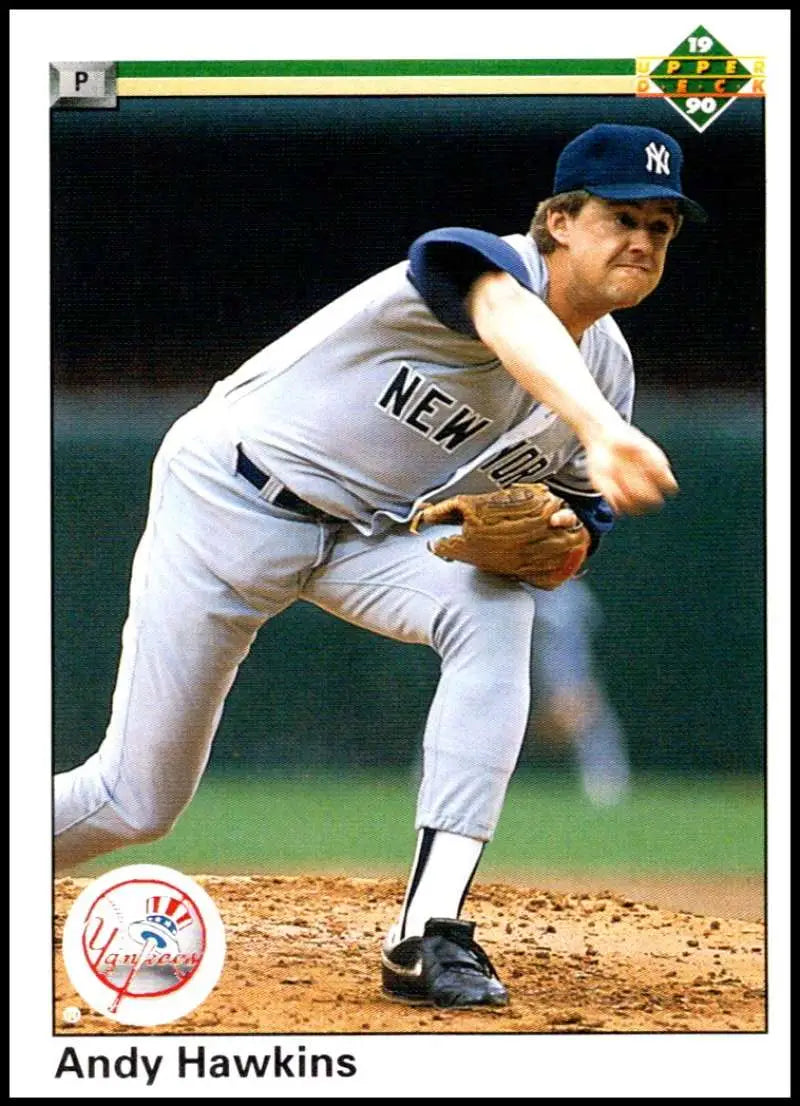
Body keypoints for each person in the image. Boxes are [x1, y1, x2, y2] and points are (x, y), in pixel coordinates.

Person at [54, 123, 705, 1009]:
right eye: (621, 217)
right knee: (135, 802)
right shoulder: (482, 264)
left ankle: (428, 933)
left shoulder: (608, 370)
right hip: (229, 495)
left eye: (661, 227)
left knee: (494, 606)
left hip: (361, 538)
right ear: (556, 220)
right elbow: (506, 315)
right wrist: (599, 428)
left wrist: (557, 548)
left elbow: (574, 534)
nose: (643, 240)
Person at [526, 577, 631, 807]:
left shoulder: (560, 598)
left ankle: (605, 778)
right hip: (514, 603)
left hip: (551, 600)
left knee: (573, 698)